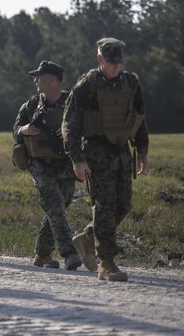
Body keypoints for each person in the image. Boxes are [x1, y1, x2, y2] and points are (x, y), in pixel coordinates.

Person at [63, 38, 149, 282]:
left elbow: (140, 117)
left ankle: (89, 236)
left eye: (118, 63)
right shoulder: (86, 87)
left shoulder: (131, 83)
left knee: (123, 206)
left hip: (121, 153)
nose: (115, 68)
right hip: (95, 152)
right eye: (110, 63)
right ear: (99, 59)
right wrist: (76, 159)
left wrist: (142, 150)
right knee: (104, 205)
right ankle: (106, 263)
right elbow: (70, 125)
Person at [14, 61, 82, 270]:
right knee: (54, 206)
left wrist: (71, 131)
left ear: (53, 79)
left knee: (60, 207)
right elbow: (16, 129)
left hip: (65, 164)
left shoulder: (73, 103)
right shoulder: (32, 104)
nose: (35, 80)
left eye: (39, 76)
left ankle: (42, 254)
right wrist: (24, 129)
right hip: (39, 165)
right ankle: (69, 253)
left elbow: (88, 127)